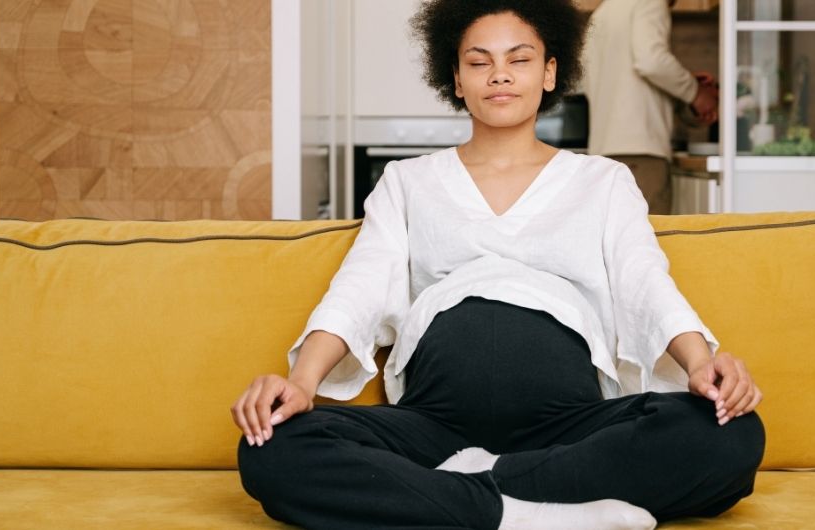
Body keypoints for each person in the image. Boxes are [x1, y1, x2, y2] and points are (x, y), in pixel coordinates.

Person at [232, 1, 762, 529]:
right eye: (479, 61)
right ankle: (526, 511)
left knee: (732, 434)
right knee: (271, 448)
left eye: (520, 59)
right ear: (457, 79)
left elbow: (644, 279)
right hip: (433, 422)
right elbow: (362, 284)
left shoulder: (603, 180)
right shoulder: (406, 181)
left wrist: (699, 364)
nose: (500, 74)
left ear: (550, 71)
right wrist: (302, 382)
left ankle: (468, 490)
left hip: (569, 425)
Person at [582, 0, 719, 215]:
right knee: (650, 239)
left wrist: (685, 82)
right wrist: (696, 93)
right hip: (641, 155)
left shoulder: (603, 12)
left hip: (603, 154)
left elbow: (600, 80)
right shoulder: (650, 3)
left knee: (611, 243)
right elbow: (651, 61)